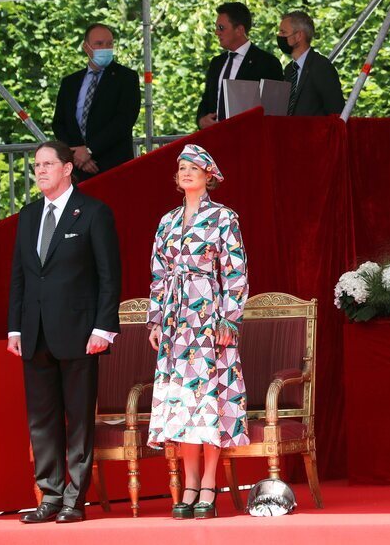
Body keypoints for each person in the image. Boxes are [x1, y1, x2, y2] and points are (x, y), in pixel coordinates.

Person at [7, 140, 122, 523]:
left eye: (48, 164)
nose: (40, 171)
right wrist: (14, 328)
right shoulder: (28, 215)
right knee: (41, 422)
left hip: (79, 333)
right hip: (34, 332)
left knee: (78, 420)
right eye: (36, 165)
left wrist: (104, 328)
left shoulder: (93, 213)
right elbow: (20, 277)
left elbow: (109, 277)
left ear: (68, 168)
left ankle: (75, 498)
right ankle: (50, 496)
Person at [146, 145, 250, 520]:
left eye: (194, 168)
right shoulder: (167, 221)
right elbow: (158, 275)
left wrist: (229, 319)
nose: (187, 173)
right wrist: (155, 320)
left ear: (209, 175)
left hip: (209, 317)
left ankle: (209, 483)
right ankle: (189, 484)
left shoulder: (224, 217)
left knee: (210, 399)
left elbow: (235, 273)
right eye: (182, 168)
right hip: (175, 321)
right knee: (183, 403)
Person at [51, 23, 140, 180]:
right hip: (77, 168)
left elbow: (124, 120)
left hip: (113, 167)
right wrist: (77, 154)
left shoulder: (126, 78)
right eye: (99, 44)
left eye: (109, 44)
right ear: (86, 47)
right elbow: (59, 122)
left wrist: (90, 150)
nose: (105, 48)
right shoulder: (70, 82)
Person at [196, 2, 283, 129]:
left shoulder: (267, 63)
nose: (216, 32)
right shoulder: (216, 63)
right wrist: (201, 120)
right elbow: (206, 100)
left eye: (221, 28)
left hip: (249, 141)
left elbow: (274, 110)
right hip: (215, 140)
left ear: (239, 30)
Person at [277, 11, 345, 116]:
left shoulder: (321, 66)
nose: (279, 36)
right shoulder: (289, 69)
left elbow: (336, 111)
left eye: (283, 32)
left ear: (299, 35)